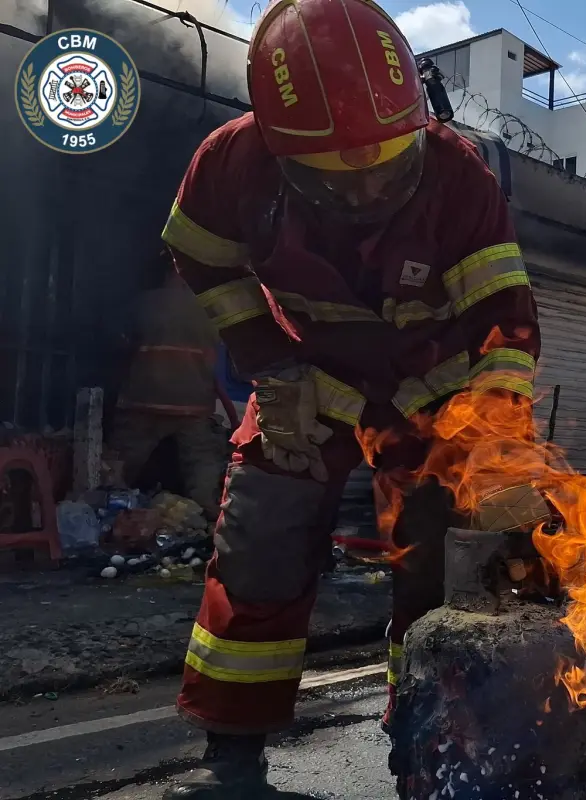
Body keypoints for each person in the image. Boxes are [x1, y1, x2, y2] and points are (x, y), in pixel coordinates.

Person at [157, 2, 541, 796]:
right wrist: (268, 363)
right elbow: (202, 261)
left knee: (440, 576)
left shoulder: (456, 173)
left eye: (387, 159)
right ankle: (232, 758)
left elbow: (504, 317)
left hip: (435, 399)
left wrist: (498, 440)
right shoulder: (231, 165)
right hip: (312, 388)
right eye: (343, 170)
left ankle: (426, 747)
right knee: (259, 544)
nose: (369, 185)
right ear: (278, 144)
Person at [107, 250, 227, 519]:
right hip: (193, 405)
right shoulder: (211, 310)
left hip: (142, 402)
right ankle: (209, 521)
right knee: (202, 468)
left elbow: (119, 345)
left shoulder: (143, 305)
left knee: (117, 469)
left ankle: (107, 515)